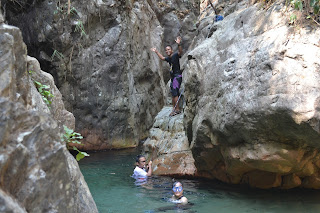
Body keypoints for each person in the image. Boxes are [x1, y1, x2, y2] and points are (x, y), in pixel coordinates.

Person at [151, 36, 183, 116]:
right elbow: (162, 58)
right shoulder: (169, 58)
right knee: (173, 93)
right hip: (173, 78)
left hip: (177, 76)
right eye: (166, 50)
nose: (167, 51)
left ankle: (177, 109)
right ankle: (174, 109)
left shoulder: (175, 55)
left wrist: (179, 44)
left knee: (175, 92)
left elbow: (180, 52)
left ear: (172, 50)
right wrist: (156, 51)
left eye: (169, 49)